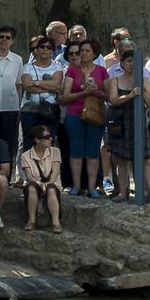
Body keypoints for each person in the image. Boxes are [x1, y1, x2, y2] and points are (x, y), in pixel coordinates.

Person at [60, 38, 107, 196]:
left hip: (96, 113)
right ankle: (76, 186)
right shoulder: (72, 70)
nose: (84, 53)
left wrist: (95, 91)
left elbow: (108, 96)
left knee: (93, 150)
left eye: (87, 51)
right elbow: (65, 96)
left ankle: (92, 188)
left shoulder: (101, 71)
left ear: (94, 53)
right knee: (76, 148)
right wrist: (84, 92)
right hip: (74, 113)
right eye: (82, 51)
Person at [105, 49, 150, 201]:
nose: (132, 64)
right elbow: (113, 100)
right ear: (122, 64)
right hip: (120, 122)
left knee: (145, 159)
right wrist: (130, 95)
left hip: (138, 122)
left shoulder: (143, 79)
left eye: (134, 61)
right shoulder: (116, 80)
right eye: (128, 61)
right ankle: (122, 192)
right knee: (121, 159)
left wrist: (143, 92)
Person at [19, 34, 64, 153]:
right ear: (37, 49)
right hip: (29, 111)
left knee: (48, 144)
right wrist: (49, 86)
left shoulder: (57, 66)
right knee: (29, 144)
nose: (45, 49)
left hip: (50, 111)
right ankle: (30, 171)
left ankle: (47, 171)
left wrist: (36, 82)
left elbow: (57, 85)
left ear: (52, 51)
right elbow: (27, 87)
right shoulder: (27, 67)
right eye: (42, 46)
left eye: (49, 47)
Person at [21, 125, 63, 232]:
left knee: (51, 188)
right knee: (31, 188)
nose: (51, 139)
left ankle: (56, 223)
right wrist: (40, 184)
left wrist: (48, 183)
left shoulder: (55, 151)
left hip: (52, 184)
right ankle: (31, 221)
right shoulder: (25, 156)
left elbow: (56, 171)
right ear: (37, 140)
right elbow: (29, 176)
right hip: (35, 184)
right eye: (47, 137)